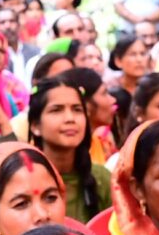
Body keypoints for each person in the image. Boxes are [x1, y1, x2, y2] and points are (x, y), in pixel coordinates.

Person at [29, 75, 112, 222]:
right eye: (56, 110)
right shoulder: (22, 180)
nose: (70, 118)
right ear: (35, 126)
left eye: (77, 109)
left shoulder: (102, 179)